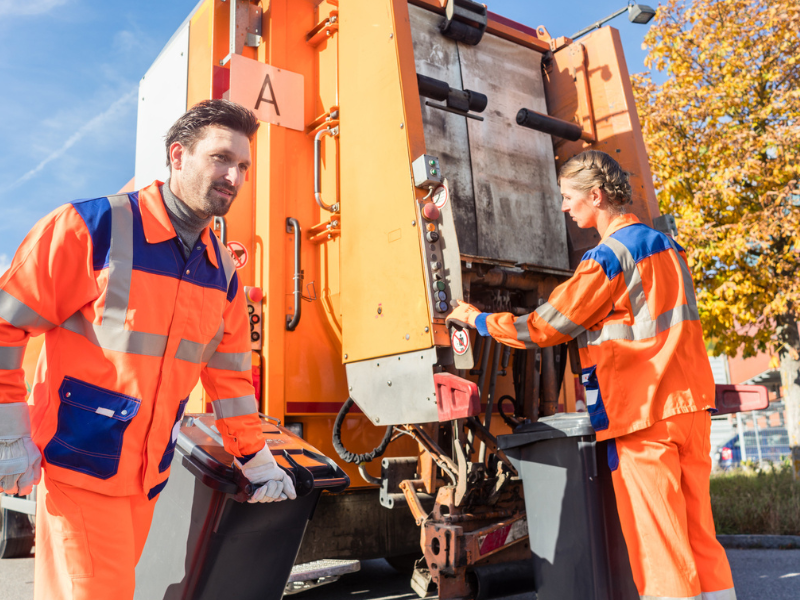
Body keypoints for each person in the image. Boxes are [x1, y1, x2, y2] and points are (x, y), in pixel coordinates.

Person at [0, 99, 296, 600]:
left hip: (147, 481)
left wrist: (255, 456)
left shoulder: (222, 272)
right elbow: (6, 323)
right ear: (178, 156)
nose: (234, 176)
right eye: (221, 158)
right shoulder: (92, 228)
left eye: (243, 166)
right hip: (80, 469)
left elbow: (230, 381)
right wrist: (8, 431)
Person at [447, 150, 736, 600]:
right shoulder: (669, 247)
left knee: (659, 546)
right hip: (691, 408)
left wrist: (479, 321)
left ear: (596, 196)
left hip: (644, 416)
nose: (564, 206)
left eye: (568, 196)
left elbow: (545, 326)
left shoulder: (608, 256)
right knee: (700, 536)